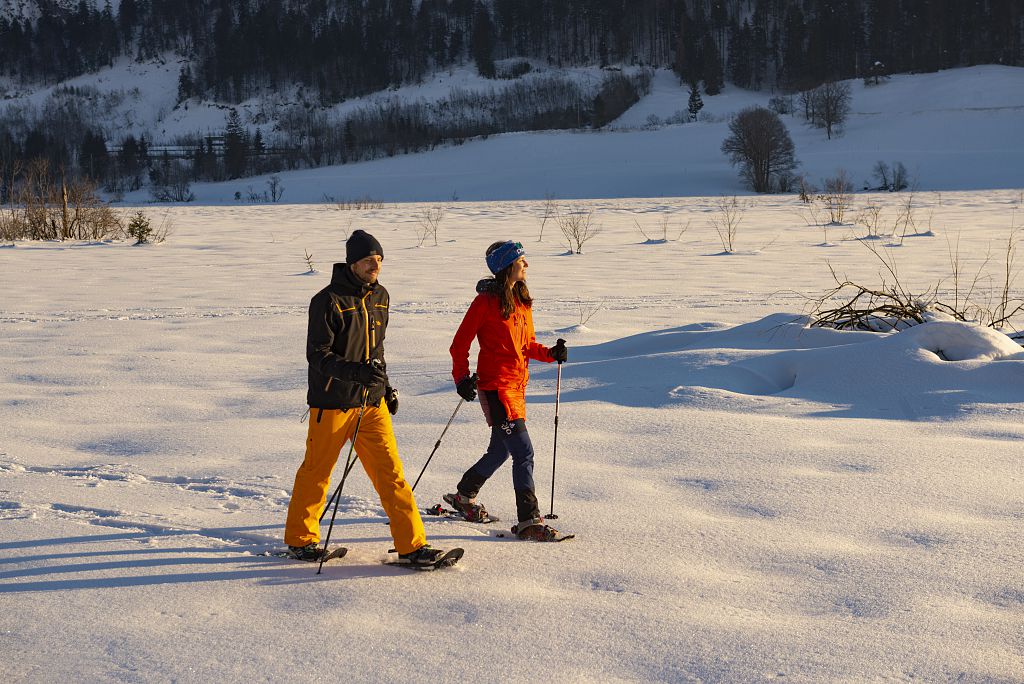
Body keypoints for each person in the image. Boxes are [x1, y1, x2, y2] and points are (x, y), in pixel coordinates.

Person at [284, 229, 452, 567]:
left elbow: (376, 351)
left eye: (379, 260)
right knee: (316, 473)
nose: (375, 266)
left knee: (391, 474)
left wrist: (384, 386)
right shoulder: (327, 301)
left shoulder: (381, 297)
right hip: (332, 404)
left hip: (371, 403)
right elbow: (316, 355)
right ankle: (301, 541)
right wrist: (355, 373)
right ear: (352, 263)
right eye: (368, 261)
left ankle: (412, 546)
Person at [447, 240, 568, 541]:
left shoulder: (522, 301)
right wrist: (462, 378)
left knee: (500, 450)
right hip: (496, 388)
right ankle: (529, 520)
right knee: (523, 451)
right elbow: (459, 344)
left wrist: (551, 352)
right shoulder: (485, 303)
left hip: (516, 387)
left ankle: (464, 495)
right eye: (522, 260)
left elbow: (526, 345)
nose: (527, 265)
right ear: (507, 265)